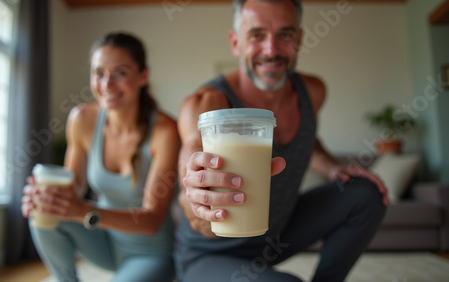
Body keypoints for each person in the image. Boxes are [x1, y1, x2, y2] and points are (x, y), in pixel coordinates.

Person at [174, 0, 388, 281]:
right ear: (236, 42)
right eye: (257, 35)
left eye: (284, 35)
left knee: (365, 194)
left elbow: (309, 142)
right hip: (211, 252)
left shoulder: (312, 91)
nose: (271, 50)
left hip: (274, 237)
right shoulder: (208, 104)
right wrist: (195, 199)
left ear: (298, 40)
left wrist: (334, 168)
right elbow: (189, 172)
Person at [21, 32, 179, 282]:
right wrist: (47, 197)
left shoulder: (165, 131)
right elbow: (74, 189)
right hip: (103, 242)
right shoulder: (82, 119)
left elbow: (151, 221)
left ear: (143, 76)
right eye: (99, 73)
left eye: (120, 73)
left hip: (151, 253)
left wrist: (83, 211)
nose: (106, 84)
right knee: (44, 211)